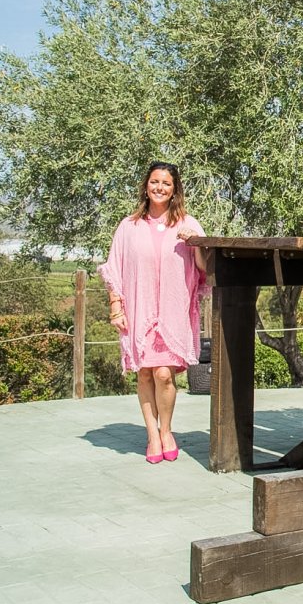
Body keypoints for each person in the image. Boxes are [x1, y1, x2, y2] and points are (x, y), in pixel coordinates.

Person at [98, 162, 208, 464]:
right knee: (145, 374)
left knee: (164, 375)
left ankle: (167, 430)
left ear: (175, 190)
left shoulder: (188, 223)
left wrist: (195, 243)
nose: (160, 187)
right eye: (155, 182)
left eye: (166, 184)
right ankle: (152, 435)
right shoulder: (129, 226)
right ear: (146, 186)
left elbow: (205, 269)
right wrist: (116, 307)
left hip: (173, 315)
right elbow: (114, 268)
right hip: (139, 312)